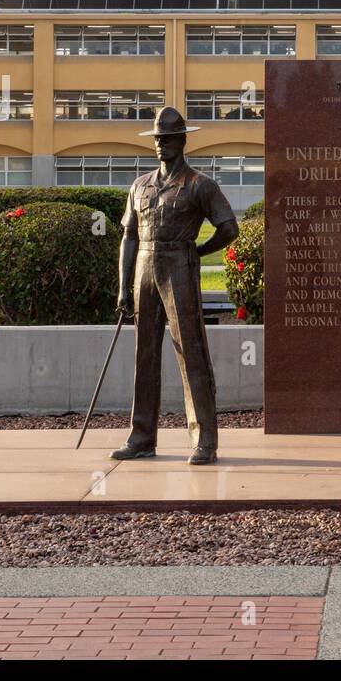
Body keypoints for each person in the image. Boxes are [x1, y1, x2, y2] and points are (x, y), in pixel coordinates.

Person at [111, 106, 239, 464]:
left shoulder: (200, 184)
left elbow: (229, 228)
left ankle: (205, 440)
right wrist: (124, 286)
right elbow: (129, 237)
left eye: (167, 139)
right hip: (144, 270)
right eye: (157, 139)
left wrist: (199, 251)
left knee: (191, 352)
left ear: (182, 141)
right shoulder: (140, 185)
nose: (161, 145)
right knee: (144, 355)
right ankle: (141, 437)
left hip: (179, 267)